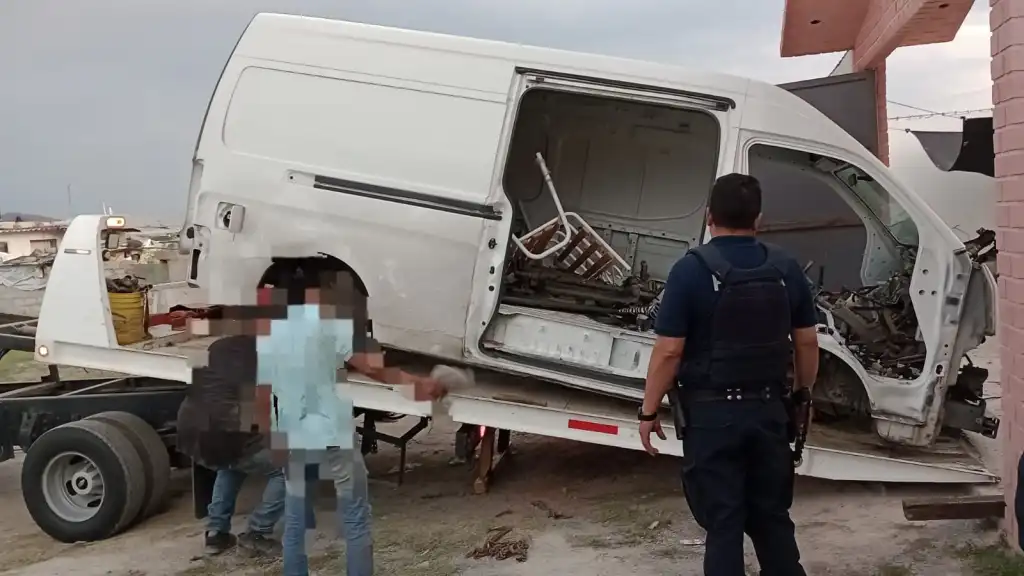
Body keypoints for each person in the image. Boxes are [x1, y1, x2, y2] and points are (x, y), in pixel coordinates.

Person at [637, 173, 818, 576]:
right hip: (770, 412)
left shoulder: (689, 270)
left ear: (708, 217)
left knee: (724, 524)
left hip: (711, 419)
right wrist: (803, 398)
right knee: (772, 518)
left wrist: (648, 412)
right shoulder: (786, 267)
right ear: (759, 217)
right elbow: (806, 342)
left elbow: (669, 351)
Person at [253, 261, 448, 576]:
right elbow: (374, 368)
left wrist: (270, 437)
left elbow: (262, 394)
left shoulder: (268, 333)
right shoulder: (328, 323)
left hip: (292, 436)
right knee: (356, 518)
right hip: (334, 431)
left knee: (295, 522)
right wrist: (418, 384)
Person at [176, 334, 286, 556]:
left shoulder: (223, 345)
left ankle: (216, 532)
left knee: (232, 463)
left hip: (190, 426)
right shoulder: (273, 354)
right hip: (227, 426)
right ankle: (257, 532)